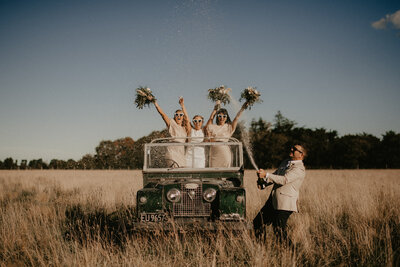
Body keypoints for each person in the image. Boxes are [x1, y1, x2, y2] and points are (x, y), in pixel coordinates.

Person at [253, 144, 307, 243]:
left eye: (295, 149)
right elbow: (276, 176)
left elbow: (284, 180)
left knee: (279, 230)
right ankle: (261, 248)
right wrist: (264, 182)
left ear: (301, 155)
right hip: (273, 200)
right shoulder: (285, 162)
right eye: (292, 147)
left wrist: (266, 174)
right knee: (257, 222)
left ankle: (291, 253)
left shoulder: (299, 169)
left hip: (285, 204)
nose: (291, 149)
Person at [147, 95, 187, 168]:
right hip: (172, 153)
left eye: (181, 115)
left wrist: (182, 105)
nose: (179, 116)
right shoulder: (171, 123)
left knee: (182, 174)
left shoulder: (185, 128)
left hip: (181, 154)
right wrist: (155, 103)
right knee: (174, 172)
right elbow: (163, 114)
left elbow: (187, 119)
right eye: (177, 114)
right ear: (174, 116)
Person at [205, 100, 248, 167]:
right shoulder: (212, 127)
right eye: (220, 116)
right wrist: (216, 107)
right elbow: (211, 118)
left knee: (225, 171)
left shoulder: (229, 127)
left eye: (224, 116)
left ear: (226, 117)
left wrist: (242, 108)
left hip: (225, 153)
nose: (222, 118)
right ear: (217, 117)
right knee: (214, 172)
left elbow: (236, 118)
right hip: (214, 153)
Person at [179, 97, 206, 168]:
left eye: (199, 121)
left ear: (202, 122)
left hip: (200, 158)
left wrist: (216, 106)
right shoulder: (191, 130)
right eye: (195, 121)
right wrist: (182, 106)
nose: (197, 123)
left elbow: (211, 119)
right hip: (189, 156)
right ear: (193, 122)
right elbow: (187, 118)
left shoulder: (204, 130)